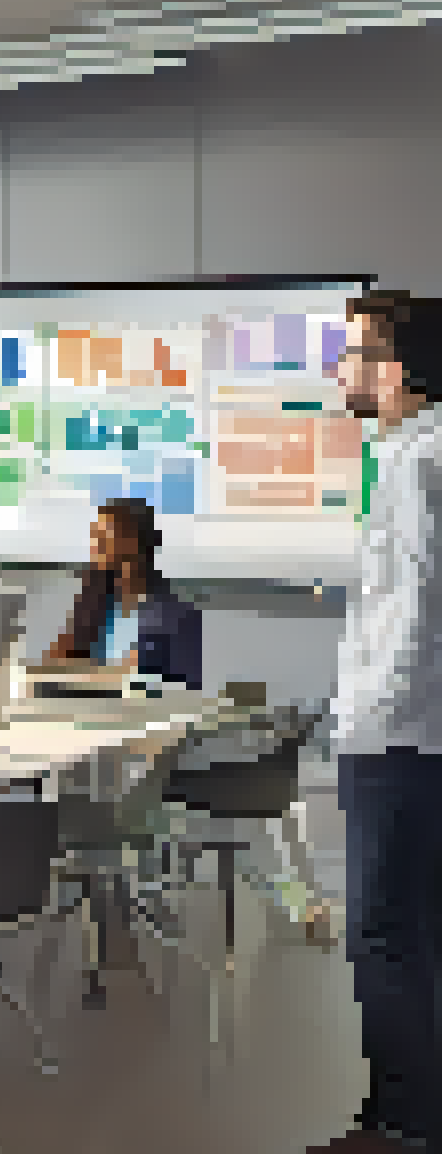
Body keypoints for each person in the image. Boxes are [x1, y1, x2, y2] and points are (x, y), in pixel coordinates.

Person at [313, 291, 442, 1154]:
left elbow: (417, 610)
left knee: (382, 930)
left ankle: (399, 1125)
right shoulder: (409, 453)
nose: (344, 368)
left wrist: (367, 717)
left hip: (398, 739)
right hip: (412, 735)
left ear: (408, 369)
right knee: (415, 929)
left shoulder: (416, 463)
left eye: (361, 352)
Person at [44, 498, 202, 690]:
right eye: (95, 535)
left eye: (104, 535)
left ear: (133, 541)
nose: (95, 545)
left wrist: (132, 676)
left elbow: (188, 689)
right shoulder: (94, 604)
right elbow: (53, 669)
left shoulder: (178, 615)